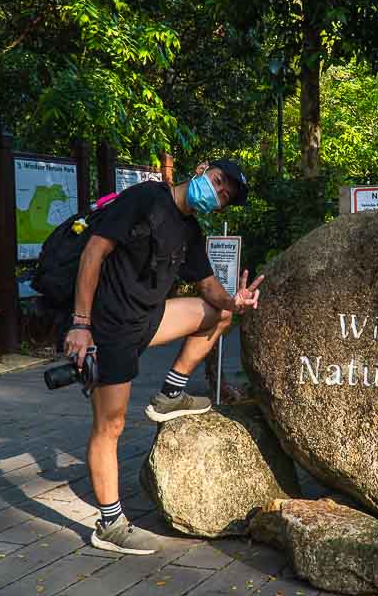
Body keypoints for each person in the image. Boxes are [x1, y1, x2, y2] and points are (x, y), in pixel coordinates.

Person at [63, 159, 264, 555]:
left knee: (218, 315)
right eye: (218, 182)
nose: (217, 192)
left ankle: (170, 393)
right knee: (111, 425)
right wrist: (80, 323)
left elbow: (209, 289)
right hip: (111, 327)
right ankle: (110, 524)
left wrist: (235, 302)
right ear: (203, 169)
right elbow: (93, 253)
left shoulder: (190, 231)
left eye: (224, 196)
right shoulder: (144, 199)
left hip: (149, 319)